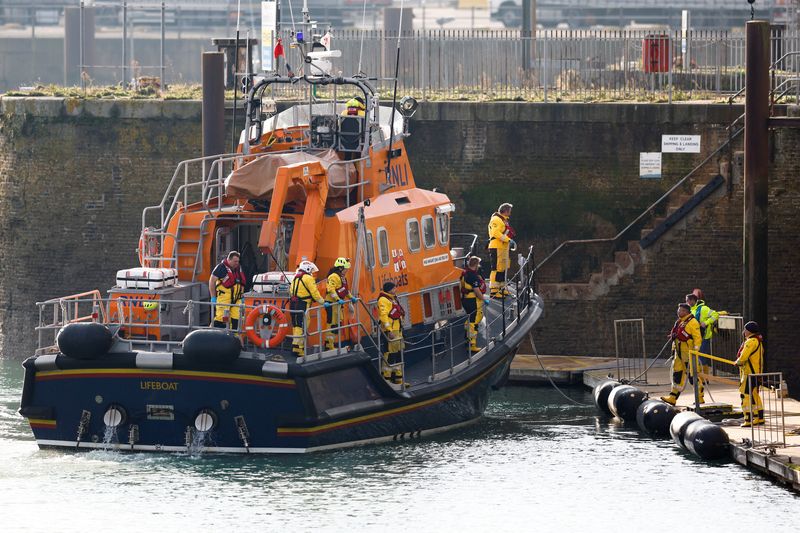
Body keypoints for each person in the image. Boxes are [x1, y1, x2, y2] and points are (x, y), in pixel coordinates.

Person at [661, 303, 704, 406]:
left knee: (692, 376)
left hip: (689, 354)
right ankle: (672, 397)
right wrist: (673, 350)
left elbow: (698, 338)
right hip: (678, 355)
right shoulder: (680, 322)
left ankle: (700, 398)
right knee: (677, 375)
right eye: (678, 310)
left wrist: (695, 351)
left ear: (686, 311)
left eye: (681, 310)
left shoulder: (693, 322)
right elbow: (677, 337)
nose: (678, 312)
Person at [289, 260, 329, 355]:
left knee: (296, 325)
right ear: (307, 269)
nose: (312, 272)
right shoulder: (309, 279)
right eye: (311, 270)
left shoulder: (295, 277)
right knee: (302, 326)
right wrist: (323, 302)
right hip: (303, 304)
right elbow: (315, 294)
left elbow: (291, 291)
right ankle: (298, 349)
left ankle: (297, 347)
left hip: (293, 304)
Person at [734, 321, 765, 427]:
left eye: (745, 330)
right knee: (755, 395)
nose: (744, 332)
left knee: (745, 395)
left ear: (749, 331)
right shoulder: (758, 342)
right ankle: (759, 417)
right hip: (757, 373)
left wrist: (737, 362)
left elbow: (743, 357)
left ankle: (749, 419)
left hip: (749, 373)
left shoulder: (750, 342)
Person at [324, 257, 358, 350]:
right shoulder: (333, 276)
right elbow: (331, 289)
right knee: (332, 324)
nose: (347, 270)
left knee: (337, 323)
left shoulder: (342, 278)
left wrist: (352, 298)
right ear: (340, 268)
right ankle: (329, 345)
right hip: (332, 303)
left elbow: (345, 290)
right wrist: (337, 299)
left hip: (338, 304)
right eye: (346, 269)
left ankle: (330, 343)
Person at [209, 251, 247, 330]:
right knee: (220, 320)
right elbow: (211, 281)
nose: (237, 263)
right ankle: (211, 335)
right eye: (235, 261)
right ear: (229, 260)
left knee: (236, 321)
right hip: (224, 299)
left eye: (238, 261)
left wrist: (242, 296)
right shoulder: (220, 267)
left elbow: (241, 283)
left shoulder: (238, 268)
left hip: (237, 299)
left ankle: (234, 339)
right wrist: (213, 297)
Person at [460, 256, 490, 353]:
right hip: (472, 300)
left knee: (470, 319)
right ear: (476, 265)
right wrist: (484, 299)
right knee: (474, 321)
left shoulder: (464, 272)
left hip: (465, 299)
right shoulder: (473, 276)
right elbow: (477, 291)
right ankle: (471, 344)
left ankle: (467, 336)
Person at [377, 281, 405, 385]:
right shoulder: (383, 300)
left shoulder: (392, 298)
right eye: (394, 288)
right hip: (391, 332)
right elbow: (383, 316)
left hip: (397, 330)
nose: (395, 290)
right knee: (389, 355)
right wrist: (389, 330)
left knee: (398, 354)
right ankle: (387, 380)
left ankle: (399, 380)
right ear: (389, 289)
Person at [487, 202, 516, 299]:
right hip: (496, 246)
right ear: (506, 211)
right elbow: (496, 233)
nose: (510, 213)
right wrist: (508, 240)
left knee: (503, 267)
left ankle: (501, 288)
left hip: (503, 247)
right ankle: (494, 291)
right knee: (496, 268)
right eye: (510, 211)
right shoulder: (496, 219)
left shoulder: (503, 220)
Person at [686, 291, 719, 360]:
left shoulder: (703, 308)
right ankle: (699, 370)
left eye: (687, 301)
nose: (687, 303)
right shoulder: (692, 310)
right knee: (697, 355)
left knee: (701, 355)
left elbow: (715, 314)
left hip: (704, 335)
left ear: (692, 300)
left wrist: (706, 323)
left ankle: (704, 370)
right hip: (695, 336)